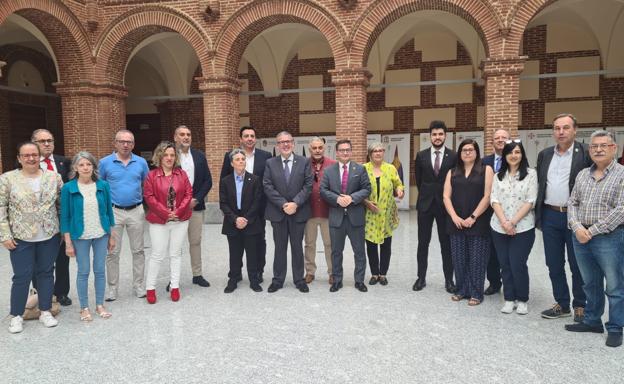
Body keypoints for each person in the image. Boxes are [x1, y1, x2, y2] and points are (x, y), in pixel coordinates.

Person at [565, 130, 624, 348]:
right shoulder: (582, 175)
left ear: (613, 148)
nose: (598, 150)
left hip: (609, 238)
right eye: (594, 146)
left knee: (615, 285)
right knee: (590, 283)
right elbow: (573, 203)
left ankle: (616, 327)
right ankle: (592, 320)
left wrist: (593, 230)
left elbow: (622, 209)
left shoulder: (621, 174)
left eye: (603, 145)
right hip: (580, 237)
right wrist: (577, 227)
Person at [1, 142, 63, 333]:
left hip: (49, 235)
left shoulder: (54, 177)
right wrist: (4, 234)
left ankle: (45, 310)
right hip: (21, 237)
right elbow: (1, 208)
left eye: (34, 155)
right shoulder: (7, 179)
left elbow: (61, 205)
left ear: (40, 156)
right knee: (22, 276)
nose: (31, 158)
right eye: (26, 155)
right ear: (19, 158)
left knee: (45, 273)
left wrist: (63, 231)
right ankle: (17, 315)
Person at [536, 113, 592, 322]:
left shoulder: (585, 153)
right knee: (554, 263)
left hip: (575, 217)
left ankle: (580, 305)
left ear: (575, 130)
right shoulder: (545, 154)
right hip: (550, 215)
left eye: (565, 128)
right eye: (557, 128)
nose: (561, 132)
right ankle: (562, 303)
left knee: (578, 263)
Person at [60, 152, 116, 321]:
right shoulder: (68, 188)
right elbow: (65, 217)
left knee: (100, 270)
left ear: (93, 167)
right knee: (83, 271)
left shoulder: (103, 185)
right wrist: (68, 243)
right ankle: (84, 307)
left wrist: (111, 236)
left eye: (89, 164)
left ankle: (99, 304)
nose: (85, 168)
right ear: (75, 168)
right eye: (81, 165)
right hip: (80, 235)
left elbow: (108, 211)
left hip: (101, 233)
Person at [99, 129, 150, 301]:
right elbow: (100, 187)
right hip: (114, 212)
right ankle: (112, 288)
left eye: (129, 142)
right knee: (112, 252)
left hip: (136, 210)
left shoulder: (141, 162)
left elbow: (147, 184)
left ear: (134, 144)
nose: (125, 145)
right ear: (115, 143)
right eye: (122, 141)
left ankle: (139, 285)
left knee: (138, 251)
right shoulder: (105, 163)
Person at [443, 139, 494, 306]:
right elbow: (446, 196)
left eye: (471, 150)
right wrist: (454, 217)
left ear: (476, 152)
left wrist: (473, 217)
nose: (467, 152)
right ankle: (461, 290)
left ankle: (476, 293)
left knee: (477, 259)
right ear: (460, 153)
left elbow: (488, 196)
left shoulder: (486, 170)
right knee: (458, 259)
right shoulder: (452, 172)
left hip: (478, 222)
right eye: (464, 150)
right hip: (456, 222)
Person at [490, 140, 537, 315]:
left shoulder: (531, 174)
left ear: (522, 154)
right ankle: (509, 299)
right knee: (505, 264)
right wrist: (504, 222)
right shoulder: (498, 176)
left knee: (517, 263)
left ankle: (522, 299)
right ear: (504, 155)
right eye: (510, 152)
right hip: (499, 227)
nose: (513, 155)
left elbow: (530, 200)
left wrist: (513, 222)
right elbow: (494, 199)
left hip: (523, 228)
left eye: (517, 152)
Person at [143, 141, 193, 304]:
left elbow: (188, 194)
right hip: (159, 221)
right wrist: (166, 213)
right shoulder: (151, 175)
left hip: (180, 220)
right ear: (159, 156)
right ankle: (150, 289)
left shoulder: (182, 174)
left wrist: (177, 212)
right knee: (157, 255)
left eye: (172, 155)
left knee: (175, 254)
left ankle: (175, 286)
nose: (169, 158)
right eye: (166, 155)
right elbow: (149, 197)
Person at [220, 126, 272, 282]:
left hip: (258, 210)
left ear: (255, 139)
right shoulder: (230, 156)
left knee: (258, 242)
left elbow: (268, 182)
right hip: (235, 210)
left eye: (252, 136)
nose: (250, 138)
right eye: (246, 136)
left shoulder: (266, 156)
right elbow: (224, 179)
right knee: (236, 244)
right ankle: (235, 274)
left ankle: (257, 271)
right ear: (241, 139)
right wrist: (231, 214)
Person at [263, 131, 312, 293]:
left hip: (298, 212)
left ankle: (299, 279)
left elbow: (308, 185)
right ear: (277, 145)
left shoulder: (304, 162)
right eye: (281, 142)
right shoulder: (270, 163)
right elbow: (267, 186)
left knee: (297, 246)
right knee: (280, 247)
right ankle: (278, 280)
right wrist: (284, 204)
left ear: (293, 143)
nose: (285, 144)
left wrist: (295, 203)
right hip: (278, 213)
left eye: (288, 141)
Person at [320, 139, 371, 293]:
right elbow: (323, 190)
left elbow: (366, 188)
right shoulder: (329, 171)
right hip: (336, 217)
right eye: (341, 150)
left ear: (351, 151)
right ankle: (337, 281)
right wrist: (337, 199)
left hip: (356, 217)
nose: (345, 152)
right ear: (336, 152)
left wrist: (352, 198)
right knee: (336, 251)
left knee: (359, 251)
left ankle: (359, 281)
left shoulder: (360, 169)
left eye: (347, 149)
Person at [413, 120, 457, 293]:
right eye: (434, 134)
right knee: (423, 243)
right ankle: (421, 278)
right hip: (425, 205)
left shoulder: (453, 156)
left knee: (446, 244)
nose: (437, 137)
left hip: (445, 206)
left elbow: (454, 180)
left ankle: (449, 280)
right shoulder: (421, 155)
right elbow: (419, 179)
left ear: (445, 135)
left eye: (440, 134)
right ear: (429, 136)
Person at [32, 129, 72, 306]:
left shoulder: (64, 162)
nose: (47, 144)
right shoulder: (29, 164)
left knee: (62, 258)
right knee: (40, 260)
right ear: (34, 143)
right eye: (42, 141)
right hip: (38, 222)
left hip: (61, 218)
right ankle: (42, 294)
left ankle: (61, 292)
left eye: (50, 140)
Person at [173, 125, 212, 288]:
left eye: (188, 134)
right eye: (182, 134)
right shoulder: (169, 156)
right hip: (174, 208)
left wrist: (196, 199)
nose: (186, 137)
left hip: (195, 206)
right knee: (174, 244)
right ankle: (173, 278)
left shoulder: (199, 156)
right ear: (175, 137)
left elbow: (207, 181)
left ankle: (197, 274)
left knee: (195, 241)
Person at [219, 149, 264, 293]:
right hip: (232, 222)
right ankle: (233, 279)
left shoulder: (255, 179)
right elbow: (223, 203)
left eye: (243, 159)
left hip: (250, 221)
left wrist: (246, 219)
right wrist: (235, 219)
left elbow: (257, 201)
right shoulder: (225, 181)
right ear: (232, 163)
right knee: (235, 254)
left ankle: (254, 280)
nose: (241, 162)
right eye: (237, 159)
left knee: (252, 253)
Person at [363, 142, 404, 286]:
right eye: (375, 151)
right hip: (370, 213)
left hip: (386, 212)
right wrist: (366, 202)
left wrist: (399, 190)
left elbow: (398, 183)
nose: (378, 153)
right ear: (370, 154)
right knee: (371, 245)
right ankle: (374, 274)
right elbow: (357, 189)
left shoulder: (391, 168)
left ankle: (383, 274)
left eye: (380, 150)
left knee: (386, 245)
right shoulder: (364, 169)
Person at [482, 128, 511, 295]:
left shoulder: (517, 159)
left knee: (510, 251)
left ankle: (510, 283)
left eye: (504, 138)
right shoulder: (484, 161)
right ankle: (494, 282)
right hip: (488, 213)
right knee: (491, 250)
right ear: (492, 142)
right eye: (497, 138)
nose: (500, 140)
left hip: (511, 213)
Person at [303, 137, 336, 285]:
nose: (317, 150)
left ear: (324, 148)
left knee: (330, 244)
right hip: (308, 211)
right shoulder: (303, 164)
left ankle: (333, 272)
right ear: (310, 149)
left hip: (327, 212)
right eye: (314, 148)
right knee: (309, 244)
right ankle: (310, 272)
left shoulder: (333, 165)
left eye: (320, 147)